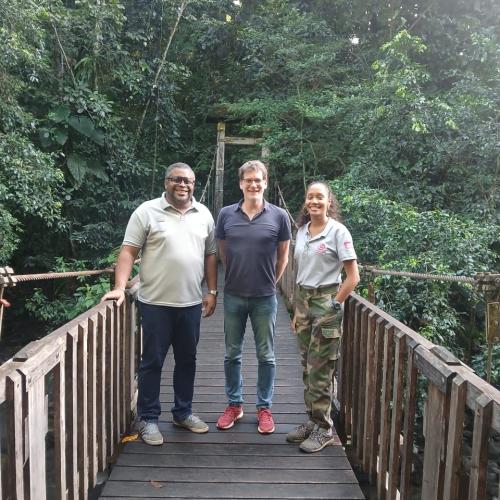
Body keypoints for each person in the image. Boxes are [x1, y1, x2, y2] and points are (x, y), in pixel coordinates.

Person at [101, 162, 218, 446]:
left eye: (188, 181)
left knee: (187, 361)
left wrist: (212, 290)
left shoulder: (204, 214)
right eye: (176, 179)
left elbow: (211, 255)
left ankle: (183, 412)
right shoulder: (146, 211)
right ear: (166, 182)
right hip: (154, 303)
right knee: (152, 361)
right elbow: (128, 251)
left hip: (190, 303)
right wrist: (119, 288)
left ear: (194, 184)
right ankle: (148, 418)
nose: (183, 185)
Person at [215, 160, 291, 434]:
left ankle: (264, 408)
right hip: (233, 295)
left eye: (258, 180)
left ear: (265, 182)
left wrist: (271, 281)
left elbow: (283, 256)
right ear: (240, 184)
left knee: (266, 355)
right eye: (248, 180)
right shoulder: (225, 214)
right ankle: (235, 404)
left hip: (265, 297)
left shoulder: (280, 216)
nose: (253, 184)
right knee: (231, 354)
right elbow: (223, 252)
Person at [287, 181, 359, 453]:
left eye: (320, 197)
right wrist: (296, 310)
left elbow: (353, 277)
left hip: (326, 301)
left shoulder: (338, 232)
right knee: (307, 366)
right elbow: (300, 273)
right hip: (304, 301)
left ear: (330, 202)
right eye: (310, 197)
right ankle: (312, 421)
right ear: (305, 202)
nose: (314, 201)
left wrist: (335, 305)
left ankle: (325, 428)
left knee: (321, 368)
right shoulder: (303, 231)